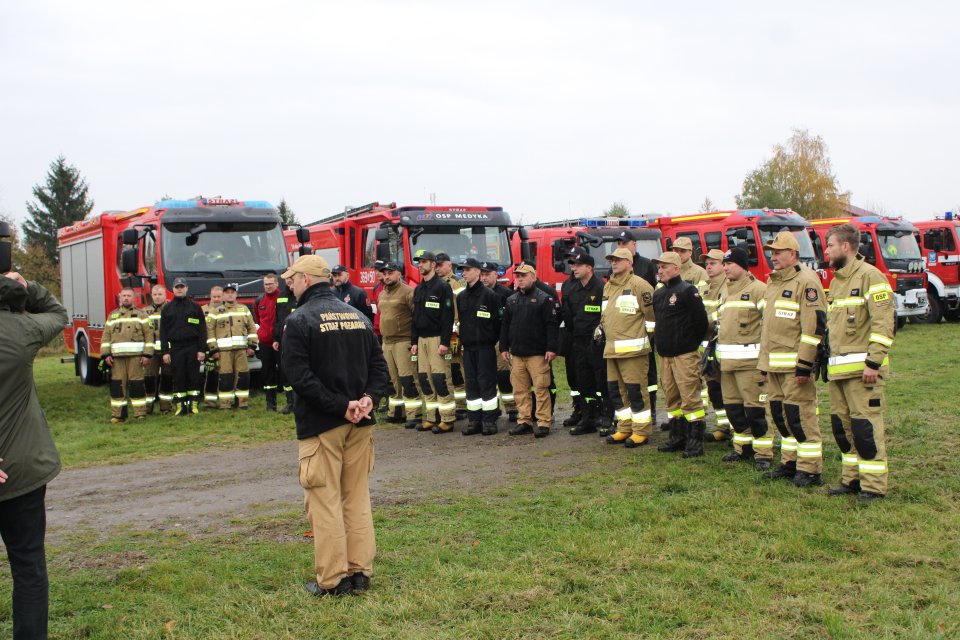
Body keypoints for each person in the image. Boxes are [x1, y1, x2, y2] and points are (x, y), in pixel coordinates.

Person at [280, 254, 389, 597]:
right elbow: (380, 369)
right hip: (360, 423)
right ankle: (360, 572)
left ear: (308, 280)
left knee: (324, 502)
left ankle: (333, 580)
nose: (289, 284)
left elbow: (299, 377)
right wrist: (369, 398)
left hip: (324, 425)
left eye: (293, 279)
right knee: (356, 498)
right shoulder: (357, 315)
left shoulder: (300, 320)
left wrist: (342, 407)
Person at [0, 272, 68, 638]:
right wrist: (28, 287)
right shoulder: (22, 332)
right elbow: (58, 313)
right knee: (28, 567)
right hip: (20, 469)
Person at [823, 223, 895, 503]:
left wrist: (873, 363)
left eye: (830, 245)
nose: (826, 251)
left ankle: (874, 486)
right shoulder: (838, 280)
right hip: (839, 372)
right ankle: (851, 479)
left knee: (865, 429)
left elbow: (884, 323)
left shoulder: (871, 277)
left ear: (846, 247)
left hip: (862, 372)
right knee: (843, 429)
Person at [758, 231, 828, 487]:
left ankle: (810, 469)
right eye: (772, 253)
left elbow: (813, 328)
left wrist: (805, 364)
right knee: (781, 415)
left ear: (793, 254)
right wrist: (763, 365)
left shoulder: (806, 281)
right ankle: (790, 463)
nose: (773, 257)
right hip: (773, 365)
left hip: (794, 367)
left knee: (801, 417)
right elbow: (769, 328)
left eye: (778, 252)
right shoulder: (774, 282)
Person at [715, 248, 774, 469]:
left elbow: (769, 327)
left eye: (730, 263)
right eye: (725, 263)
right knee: (734, 410)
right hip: (727, 365)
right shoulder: (725, 291)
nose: (726, 267)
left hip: (751, 365)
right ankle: (743, 448)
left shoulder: (759, 290)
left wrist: (766, 363)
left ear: (743, 265)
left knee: (756, 411)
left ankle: (763, 454)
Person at [653, 251, 710, 458]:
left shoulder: (687, 290)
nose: (660, 270)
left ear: (676, 268)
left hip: (685, 354)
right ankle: (677, 436)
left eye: (664, 266)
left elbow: (701, 322)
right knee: (672, 397)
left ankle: (695, 441)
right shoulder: (658, 293)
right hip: (665, 355)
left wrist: (690, 343)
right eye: (659, 267)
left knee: (690, 397)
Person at [601, 248, 657, 448]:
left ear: (629, 262)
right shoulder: (608, 287)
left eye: (618, 260)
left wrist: (643, 338)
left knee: (636, 391)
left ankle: (641, 431)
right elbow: (606, 316)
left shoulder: (640, 285)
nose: (614, 263)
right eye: (612, 260)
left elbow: (651, 318)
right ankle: (624, 427)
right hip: (611, 350)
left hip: (634, 351)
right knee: (616, 391)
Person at [500, 261, 559, 438]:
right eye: (517, 276)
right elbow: (505, 325)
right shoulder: (511, 299)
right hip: (517, 354)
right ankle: (524, 420)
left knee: (541, 389)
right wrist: (504, 347)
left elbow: (551, 325)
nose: (520, 279)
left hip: (537, 353)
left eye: (524, 276)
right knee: (520, 390)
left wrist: (551, 347)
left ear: (533, 277)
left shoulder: (544, 298)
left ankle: (543, 422)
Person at [616, 229, 660, 426]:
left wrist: (650, 333)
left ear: (634, 245)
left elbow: (653, 297)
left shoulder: (647, 265)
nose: (622, 246)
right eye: (619, 243)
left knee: (648, 373)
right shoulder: (616, 269)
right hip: (625, 331)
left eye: (625, 243)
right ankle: (633, 411)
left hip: (644, 331)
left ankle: (652, 409)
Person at [410, 251, 457, 433]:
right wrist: (414, 341)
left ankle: (447, 419)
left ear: (433, 265)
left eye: (423, 262)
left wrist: (445, 342)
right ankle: (431, 417)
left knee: (440, 378)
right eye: (419, 262)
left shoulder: (442, 287)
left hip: (437, 339)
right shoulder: (419, 289)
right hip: (421, 341)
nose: (420, 265)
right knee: (425, 379)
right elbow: (415, 318)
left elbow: (448, 317)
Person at [561, 248, 605, 436]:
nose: (574, 268)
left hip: (597, 343)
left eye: (578, 265)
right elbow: (568, 315)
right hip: (577, 341)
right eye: (572, 265)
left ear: (589, 267)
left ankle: (604, 414)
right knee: (583, 381)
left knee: (601, 381)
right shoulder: (571, 287)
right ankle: (587, 417)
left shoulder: (601, 287)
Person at [457, 258, 503, 436]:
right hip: (468, 348)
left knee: (487, 382)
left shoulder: (490, 296)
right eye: (463, 270)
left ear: (477, 272)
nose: (465, 273)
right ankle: (474, 420)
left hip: (485, 347)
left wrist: (491, 339)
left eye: (468, 269)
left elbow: (498, 322)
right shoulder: (461, 296)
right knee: (471, 383)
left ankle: (489, 420)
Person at [376, 262, 421, 429]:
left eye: (390, 273)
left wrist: (415, 341)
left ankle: (414, 414)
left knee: (408, 378)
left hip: (403, 341)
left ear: (399, 274)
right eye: (384, 273)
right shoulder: (382, 293)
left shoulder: (408, 292)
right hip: (387, 342)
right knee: (392, 380)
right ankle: (395, 413)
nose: (386, 276)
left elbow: (416, 318)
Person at [101, 286, 153, 423]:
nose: (126, 298)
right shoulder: (112, 315)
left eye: (128, 296)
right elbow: (105, 336)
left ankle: (140, 413)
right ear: (120, 297)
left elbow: (149, 336)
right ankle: (118, 415)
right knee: (117, 386)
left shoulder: (141, 315)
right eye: (123, 296)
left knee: (136, 385)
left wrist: (147, 355)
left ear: (133, 297)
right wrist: (105, 354)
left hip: (136, 357)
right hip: (117, 359)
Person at [207, 283, 258, 410]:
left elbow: (252, 327)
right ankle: (226, 404)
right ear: (223, 295)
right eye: (227, 292)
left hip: (241, 350)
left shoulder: (244, 309)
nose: (230, 294)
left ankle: (242, 403)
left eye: (232, 292)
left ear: (236, 294)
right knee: (225, 377)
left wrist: (252, 345)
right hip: (223, 352)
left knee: (243, 375)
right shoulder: (215, 312)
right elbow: (210, 331)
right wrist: (213, 349)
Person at [160, 278, 207, 416]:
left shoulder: (195, 307)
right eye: (177, 287)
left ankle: (193, 405)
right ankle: (180, 407)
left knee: (194, 377)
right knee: (178, 377)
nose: (179, 289)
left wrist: (201, 350)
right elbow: (163, 332)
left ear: (186, 288)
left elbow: (202, 330)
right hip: (176, 348)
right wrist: (165, 352)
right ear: (173, 289)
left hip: (192, 347)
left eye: (182, 287)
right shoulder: (167, 308)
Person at [480, 262, 518, 422]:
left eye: (487, 274)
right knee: (487, 377)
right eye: (482, 275)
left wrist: (506, 342)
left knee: (503, 376)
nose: (484, 278)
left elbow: (510, 319)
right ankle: (492, 408)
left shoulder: (505, 293)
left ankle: (512, 408)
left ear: (496, 274)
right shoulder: (477, 293)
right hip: (483, 341)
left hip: (499, 340)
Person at [700, 249, 731, 442]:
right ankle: (723, 426)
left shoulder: (727, 287)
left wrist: (701, 321)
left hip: (723, 344)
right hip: (707, 346)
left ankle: (736, 428)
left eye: (713, 263)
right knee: (714, 389)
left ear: (723, 265)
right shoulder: (705, 287)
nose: (709, 267)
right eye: (707, 264)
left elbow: (721, 315)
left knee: (728, 389)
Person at [435, 253, 468, 418]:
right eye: (436, 265)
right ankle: (455, 402)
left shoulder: (458, 282)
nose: (438, 268)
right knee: (447, 367)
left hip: (455, 330)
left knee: (456, 366)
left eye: (440, 265)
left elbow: (465, 305)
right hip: (441, 330)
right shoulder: (434, 283)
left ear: (449, 265)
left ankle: (463, 404)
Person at [142, 284, 173, 414]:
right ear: (151, 295)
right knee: (149, 379)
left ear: (165, 295)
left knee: (167, 378)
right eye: (155, 294)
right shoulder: (144, 312)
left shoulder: (171, 309)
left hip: (168, 351)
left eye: (160, 294)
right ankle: (147, 407)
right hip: (151, 353)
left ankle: (166, 407)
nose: (157, 297)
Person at [254, 273, 283, 411]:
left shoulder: (283, 298)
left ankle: (291, 403)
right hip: (265, 344)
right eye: (266, 284)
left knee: (285, 373)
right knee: (268, 374)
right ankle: (270, 404)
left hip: (281, 343)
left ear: (277, 284)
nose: (268, 286)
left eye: (271, 283)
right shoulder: (259, 300)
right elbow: (259, 321)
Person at [273, 278, 298, 414]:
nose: (289, 281)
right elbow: (278, 319)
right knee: (285, 371)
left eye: (292, 278)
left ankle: (300, 402)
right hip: (284, 339)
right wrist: (276, 338)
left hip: (299, 339)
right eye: (287, 279)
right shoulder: (281, 296)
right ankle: (290, 403)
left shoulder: (301, 294)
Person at [201, 286, 224, 409]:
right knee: (211, 376)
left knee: (226, 376)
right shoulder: (202, 310)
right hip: (209, 349)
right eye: (214, 297)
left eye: (219, 297)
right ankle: (210, 403)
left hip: (225, 348)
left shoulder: (227, 310)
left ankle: (227, 401)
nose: (216, 299)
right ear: (210, 296)